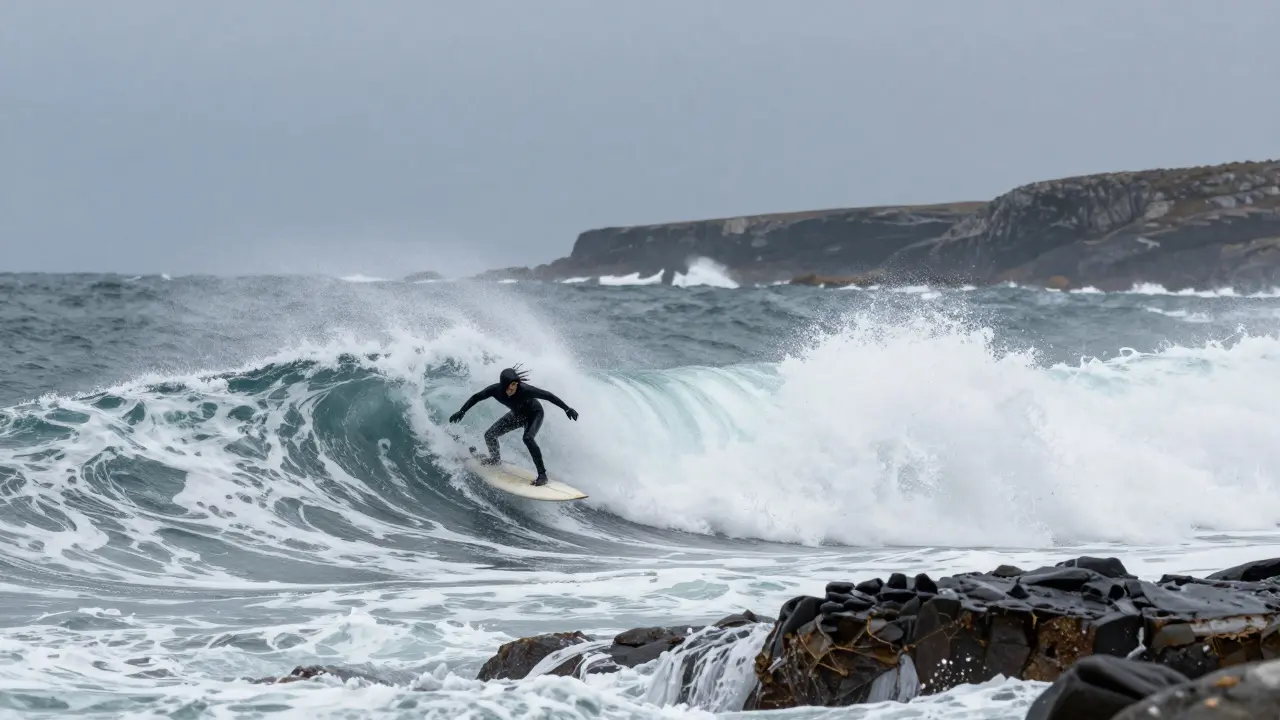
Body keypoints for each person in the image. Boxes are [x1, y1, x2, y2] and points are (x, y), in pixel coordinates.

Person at [449, 366, 578, 485]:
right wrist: (462, 411)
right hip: (517, 415)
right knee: (490, 435)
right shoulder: (495, 390)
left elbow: (548, 396)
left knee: (528, 438)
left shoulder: (525, 390)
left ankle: (542, 475)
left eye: (515, 386)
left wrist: (567, 409)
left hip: (534, 414)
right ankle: (495, 460)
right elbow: (476, 397)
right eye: (510, 387)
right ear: (504, 385)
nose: (513, 390)